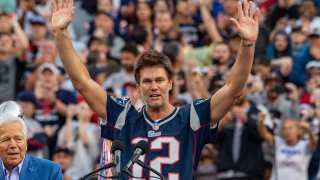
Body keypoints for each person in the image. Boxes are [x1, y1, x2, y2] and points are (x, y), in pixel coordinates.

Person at [51, 0, 259, 178]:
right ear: (139, 86)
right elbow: (82, 83)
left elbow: (233, 90)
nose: (154, 87)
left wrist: (247, 44)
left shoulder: (191, 118)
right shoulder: (124, 117)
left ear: (170, 83)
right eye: (147, 81)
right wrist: (61, 34)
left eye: (159, 80)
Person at [0, 101, 62, 180]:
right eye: (6, 139)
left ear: (26, 142)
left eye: (18, 139)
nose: (13, 145)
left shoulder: (50, 170)